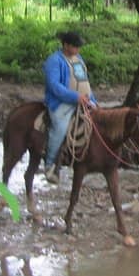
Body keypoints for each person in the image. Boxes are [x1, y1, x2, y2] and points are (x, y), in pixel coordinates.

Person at [42, 31, 97, 184]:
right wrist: (75, 97)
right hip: (61, 102)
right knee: (60, 127)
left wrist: (92, 100)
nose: (78, 50)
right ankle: (50, 164)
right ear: (66, 45)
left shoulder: (78, 59)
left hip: (83, 100)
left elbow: (84, 81)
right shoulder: (54, 61)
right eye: (75, 47)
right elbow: (54, 86)